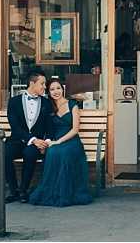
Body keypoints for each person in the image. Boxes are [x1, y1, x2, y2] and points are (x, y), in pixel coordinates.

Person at [29, 78, 93, 207]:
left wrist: (58, 142)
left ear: (63, 89)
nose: (55, 91)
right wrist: (45, 142)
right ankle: (53, 191)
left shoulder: (72, 105)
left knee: (62, 152)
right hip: (54, 140)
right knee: (52, 152)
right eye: (52, 89)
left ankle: (67, 193)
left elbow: (75, 130)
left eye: (58, 88)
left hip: (71, 140)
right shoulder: (48, 106)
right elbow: (43, 127)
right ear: (48, 92)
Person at [4, 69, 53, 203]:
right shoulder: (14, 102)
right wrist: (33, 139)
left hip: (36, 144)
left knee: (30, 153)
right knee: (5, 153)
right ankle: (13, 190)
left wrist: (46, 142)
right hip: (17, 140)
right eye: (42, 84)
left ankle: (23, 190)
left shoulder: (46, 103)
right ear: (32, 83)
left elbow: (50, 127)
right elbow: (15, 127)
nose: (45, 87)